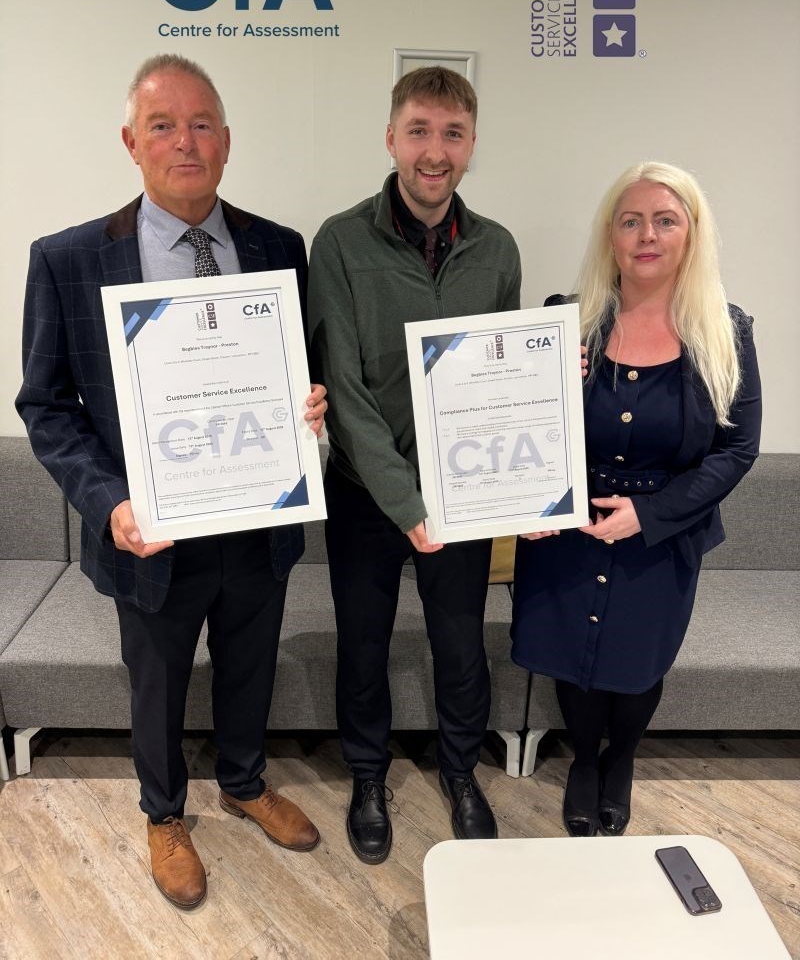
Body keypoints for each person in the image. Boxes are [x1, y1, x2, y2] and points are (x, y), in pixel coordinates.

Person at [16, 54, 327, 908]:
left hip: (259, 518)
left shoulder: (277, 248)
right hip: (147, 530)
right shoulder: (69, 259)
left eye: (201, 125)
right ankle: (163, 812)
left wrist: (309, 409)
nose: (184, 141)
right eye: (163, 125)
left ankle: (245, 779)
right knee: (155, 680)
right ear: (131, 141)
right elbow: (44, 407)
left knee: (249, 665)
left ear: (226, 141)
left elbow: (299, 372)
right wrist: (108, 502)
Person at [307, 66, 521, 862]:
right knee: (362, 644)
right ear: (392, 137)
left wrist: (521, 488)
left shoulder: (497, 249)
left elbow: (499, 384)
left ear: (470, 146)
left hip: (462, 494)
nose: (436, 152)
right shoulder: (339, 240)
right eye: (421, 131)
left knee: (461, 643)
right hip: (367, 495)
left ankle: (462, 771)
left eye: (453, 134)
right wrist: (406, 503)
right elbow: (347, 391)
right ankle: (367, 775)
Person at [512, 161, 761, 837]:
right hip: (570, 531)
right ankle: (584, 761)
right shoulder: (569, 321)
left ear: (691, 233)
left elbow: (737, 450)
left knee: (635, 664)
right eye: (630, 221)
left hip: (662, 535)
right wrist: (533, 500)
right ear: (610, 236)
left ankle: (619, 759)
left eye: (665, 219)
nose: (646, 234)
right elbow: (522, 425)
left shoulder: (725, 331)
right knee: (574, 662)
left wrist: (648, 516)